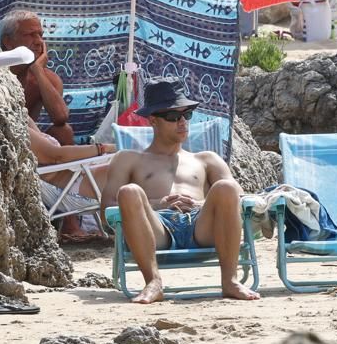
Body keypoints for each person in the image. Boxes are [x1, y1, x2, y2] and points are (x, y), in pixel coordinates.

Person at [102, 81, 257, 304]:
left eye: (187, 114)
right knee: (129, 191)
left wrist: (200, 205)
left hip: (202, 226)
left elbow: (240, 200)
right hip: (157, 228)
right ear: (153, 120)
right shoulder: (128, 159)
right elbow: (106, 212)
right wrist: (157, 204)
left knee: (227, 187)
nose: (182, 122)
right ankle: (153, 282)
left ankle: (230, 282)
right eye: (173, 116)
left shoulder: (206, 159)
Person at [28, 117, 114, 244]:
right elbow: (57, 156)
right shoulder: (19, 129)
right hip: (72, 191)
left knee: (133, 163)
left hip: (79, 180)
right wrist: (103, 148)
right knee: (130, 164)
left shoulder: (20, 117)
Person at [0, 9, 73, 145]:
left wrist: (38, 70)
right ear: (8, 42)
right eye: (30, 35)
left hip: (28, 141)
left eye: (40, 35)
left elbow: (61, 117)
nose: (39, 41)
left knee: (64, 131)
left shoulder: (48, 78)